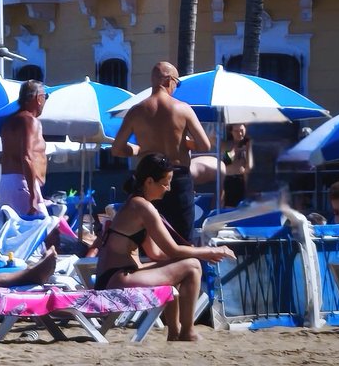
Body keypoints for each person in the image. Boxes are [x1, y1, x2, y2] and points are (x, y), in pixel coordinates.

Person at [91, 153, 236, 342]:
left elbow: (157, 254)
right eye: (165, 183)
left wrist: (185, 255)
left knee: (179, 264)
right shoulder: (142, 207)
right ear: (149, 181)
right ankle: (187, 331)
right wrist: (210, 252)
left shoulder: (136, 204)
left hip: (113, 277)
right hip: (117, 281)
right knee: (192, 266)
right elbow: (172, 250)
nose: (168, 189)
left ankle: (175, 331)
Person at [111, 62, 211, 242]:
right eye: (177, 83)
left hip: (148, 180)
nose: (176, 87)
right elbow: (204, 145)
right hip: (177, 178)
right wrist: (184, 143)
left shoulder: (136, 111)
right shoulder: (183, 108)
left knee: (149, 237)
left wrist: (139, 149)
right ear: (169, 80)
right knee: (182, 237)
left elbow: (117, 149)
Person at [0, 79, 49, 217]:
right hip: (22, 183)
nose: (45, 101)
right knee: (48, 233)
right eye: (45, 97)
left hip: (6, 183)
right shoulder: (30, 120)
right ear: (39, 98)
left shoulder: (9, 122)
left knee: (16, 234)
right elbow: (27, 157)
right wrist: (33, 194)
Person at [219, 123, 254, 207]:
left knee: (240, 209)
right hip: (226, 180)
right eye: (236, 131)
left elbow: (250, 166)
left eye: (242, 130)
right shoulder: (225, 144)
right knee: (227, 208)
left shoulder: (248, 145)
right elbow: (211, 138)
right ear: (231, 131)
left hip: (240, 180)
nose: (240, 133)